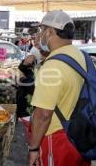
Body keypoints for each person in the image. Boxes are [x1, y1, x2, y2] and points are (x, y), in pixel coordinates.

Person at [28, 10, 91, 166]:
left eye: (42, 30)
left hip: (57, 139)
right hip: (80, 136)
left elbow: (43, 114)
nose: (40, 34)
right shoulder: (81, 56)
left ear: (50, 32)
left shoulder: (52, 66)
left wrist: (34, 149)